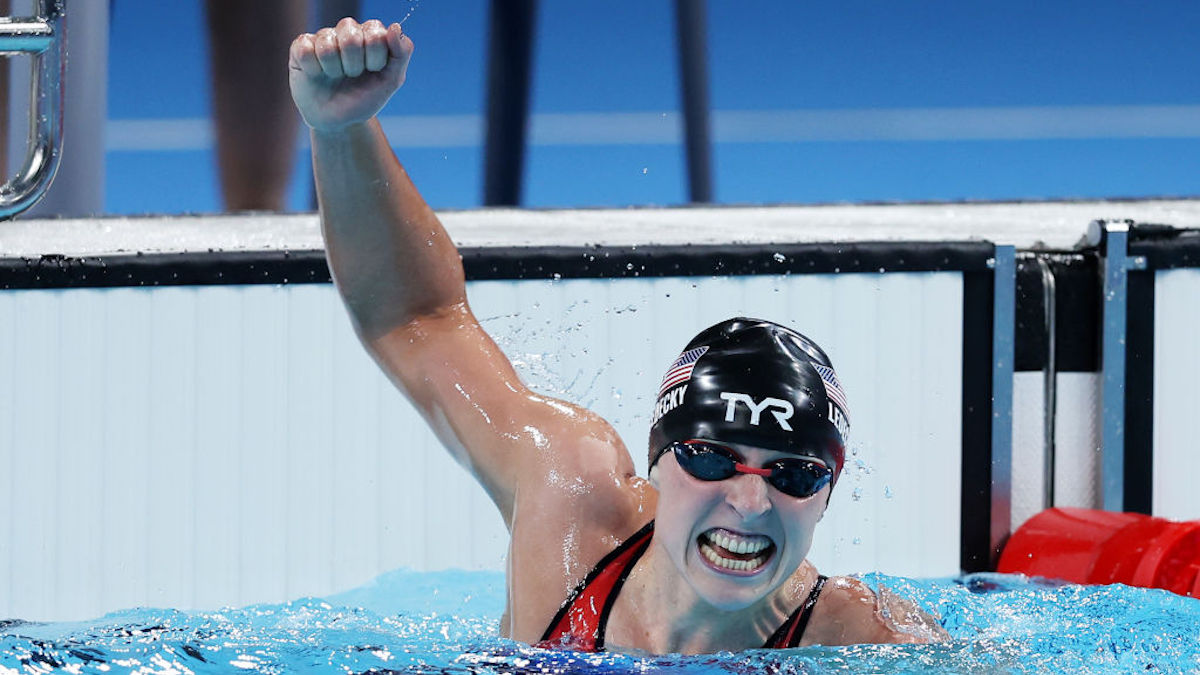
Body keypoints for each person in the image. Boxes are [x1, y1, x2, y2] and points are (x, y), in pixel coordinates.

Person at [288, 18, 948, 653]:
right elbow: (417, 319)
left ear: (827, 494)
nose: (749, 501)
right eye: (712, 458)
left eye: (793, 474)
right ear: (658, 460)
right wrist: (341, 131)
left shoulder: (863, 636)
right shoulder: (569, 502)